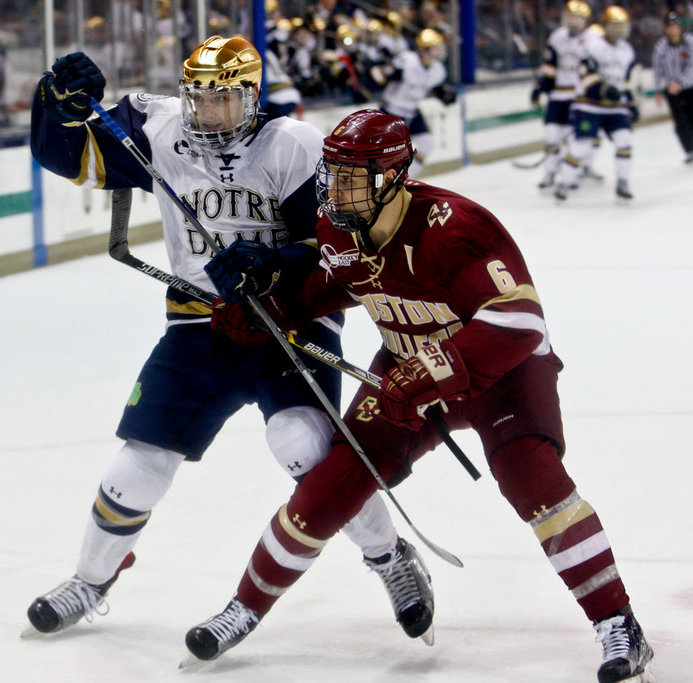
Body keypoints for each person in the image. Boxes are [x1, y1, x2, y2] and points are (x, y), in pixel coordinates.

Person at [183, 109, 654, 683]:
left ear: (393, 177)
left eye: (352, 176)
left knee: (533, 482)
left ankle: (619, 624)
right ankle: (244, 608)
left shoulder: (456, 227)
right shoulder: (338, 229)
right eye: (332, 172)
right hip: (409, 370)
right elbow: (329, 288)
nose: (334, 188)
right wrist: (268, 312)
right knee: (331, 483)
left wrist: (433, 366)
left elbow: (519, 321)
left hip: (502, 371)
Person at [23, 37, 435, 643]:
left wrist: (273, 263)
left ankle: (390, 558)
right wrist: (54, 102)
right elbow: (65, 155)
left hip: (286, 319)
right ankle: (90, 579)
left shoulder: (292, 145)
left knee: (304, 446)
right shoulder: (156, 126)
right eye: (198, 98)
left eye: (221, 100)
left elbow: (337, 243)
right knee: (136, 466)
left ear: (251, 95)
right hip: (199, 319)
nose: (206, 112)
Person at [556, 6, 638, 201]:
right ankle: (564, 183)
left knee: (625, 140)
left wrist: (630, 102)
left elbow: (625, 81)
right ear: (606, 26)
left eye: (621, 26)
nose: (618, 30)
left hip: (614, 108)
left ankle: (622, 182)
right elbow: (585, 75)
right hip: (589, 106)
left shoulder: (627, 50)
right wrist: (603, 90)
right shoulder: (593, 46)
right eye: (614, 26)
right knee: (581, 146)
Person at [372, 28, 457, 177]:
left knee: (427, 143)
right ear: (425, 49)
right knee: (386, 153)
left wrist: (446, 96)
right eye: (436, 47)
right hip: (390, 112)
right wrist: (385, 73)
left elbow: (437, 89)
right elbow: (384, 75)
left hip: (412, 111)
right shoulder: (408, 61)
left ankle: (404, 179)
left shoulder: (437, 69)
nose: (440, 51)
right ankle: (377, 181)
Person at [532, 0, 593, 189]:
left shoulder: (593, 39)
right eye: (570, 17)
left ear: (584, 20)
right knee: (551, 137)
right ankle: (549, 173)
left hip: (579, 98)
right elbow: (550, 66)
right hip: (558, 96)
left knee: (575, 139)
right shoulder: (557, 37)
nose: (572, 21)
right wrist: (540, 87)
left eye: (576, 17)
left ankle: (574, 173)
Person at [652, 10, 693, 163]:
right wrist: (658, 90)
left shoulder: (691, 41)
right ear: (666, 29)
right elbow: (657, 69)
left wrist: (679, 82)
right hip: (672, 91)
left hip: (690, 86)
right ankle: (689, 150)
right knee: (680, 121)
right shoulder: (661, 47)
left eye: (675, 26)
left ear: (680, 27)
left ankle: (691, 144)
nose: (673, 30)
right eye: (670, 27)